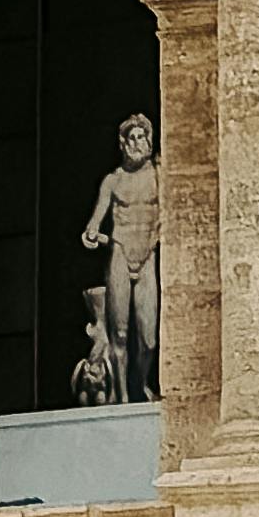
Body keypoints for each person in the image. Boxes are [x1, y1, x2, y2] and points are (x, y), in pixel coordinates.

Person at [78, 106, 164, 397]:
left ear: (148, 141)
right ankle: (125, 395)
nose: (136, 143)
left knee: (149, 338)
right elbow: (95, 221)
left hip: (148, 254)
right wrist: (91, 234)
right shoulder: (113, 181)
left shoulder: (159, 175)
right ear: (123, 144)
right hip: (120, 251)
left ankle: (140, 383)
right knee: (121, 333)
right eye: (131, 138)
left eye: (141, 137)